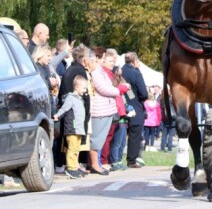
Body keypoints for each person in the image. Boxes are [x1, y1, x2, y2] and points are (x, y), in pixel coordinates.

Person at [89, 47, 129, 175]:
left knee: (104, 138)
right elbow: (104, 88)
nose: (111, 62)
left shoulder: (101, 71)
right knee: (99, 139)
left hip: (108, 109)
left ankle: (100, 162)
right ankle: (98, 163)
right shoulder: (97, 71)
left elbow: (109, 86)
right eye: (107, 59)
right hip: (101, 109)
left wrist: (118, 81)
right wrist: (120, 89)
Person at [53, 75, 88, 179]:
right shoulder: (71, 98)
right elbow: (64, 108)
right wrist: (57, 116)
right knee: (72, 149)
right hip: (72, 129)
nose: (85, 90)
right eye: (84, 87)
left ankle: (75, 166)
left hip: (79, 129)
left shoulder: (80, 99)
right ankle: (70, 168)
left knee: (76, 149)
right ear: (77, 87)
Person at [122, 52, 148, 168]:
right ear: (134, 62)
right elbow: (143, 93)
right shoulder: (136, 73)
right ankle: (132, 160)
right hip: (135, 106)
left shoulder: (121, 70)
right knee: (135, 134)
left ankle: (114, 159)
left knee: (119, 133)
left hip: (121, 104)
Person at [32, 45, 59, 109]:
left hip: (49, 102)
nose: (50, 58)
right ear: (40, 55)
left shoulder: (45, 67)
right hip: (42, 104)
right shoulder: (36, 68)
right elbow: (38, 84)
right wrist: (50, 82)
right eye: (48, 56)